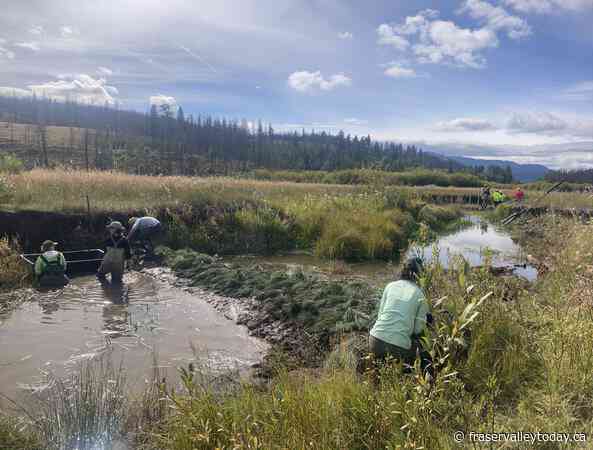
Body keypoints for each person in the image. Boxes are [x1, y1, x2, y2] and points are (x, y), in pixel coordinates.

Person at [369, 257, 429, 369]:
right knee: (422, 348)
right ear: (419, 275)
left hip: (375, 340)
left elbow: (380, 315)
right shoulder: (420, 294)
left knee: (380, 366)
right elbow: (417, 330)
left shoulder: (390, 286)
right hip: (398, 348)